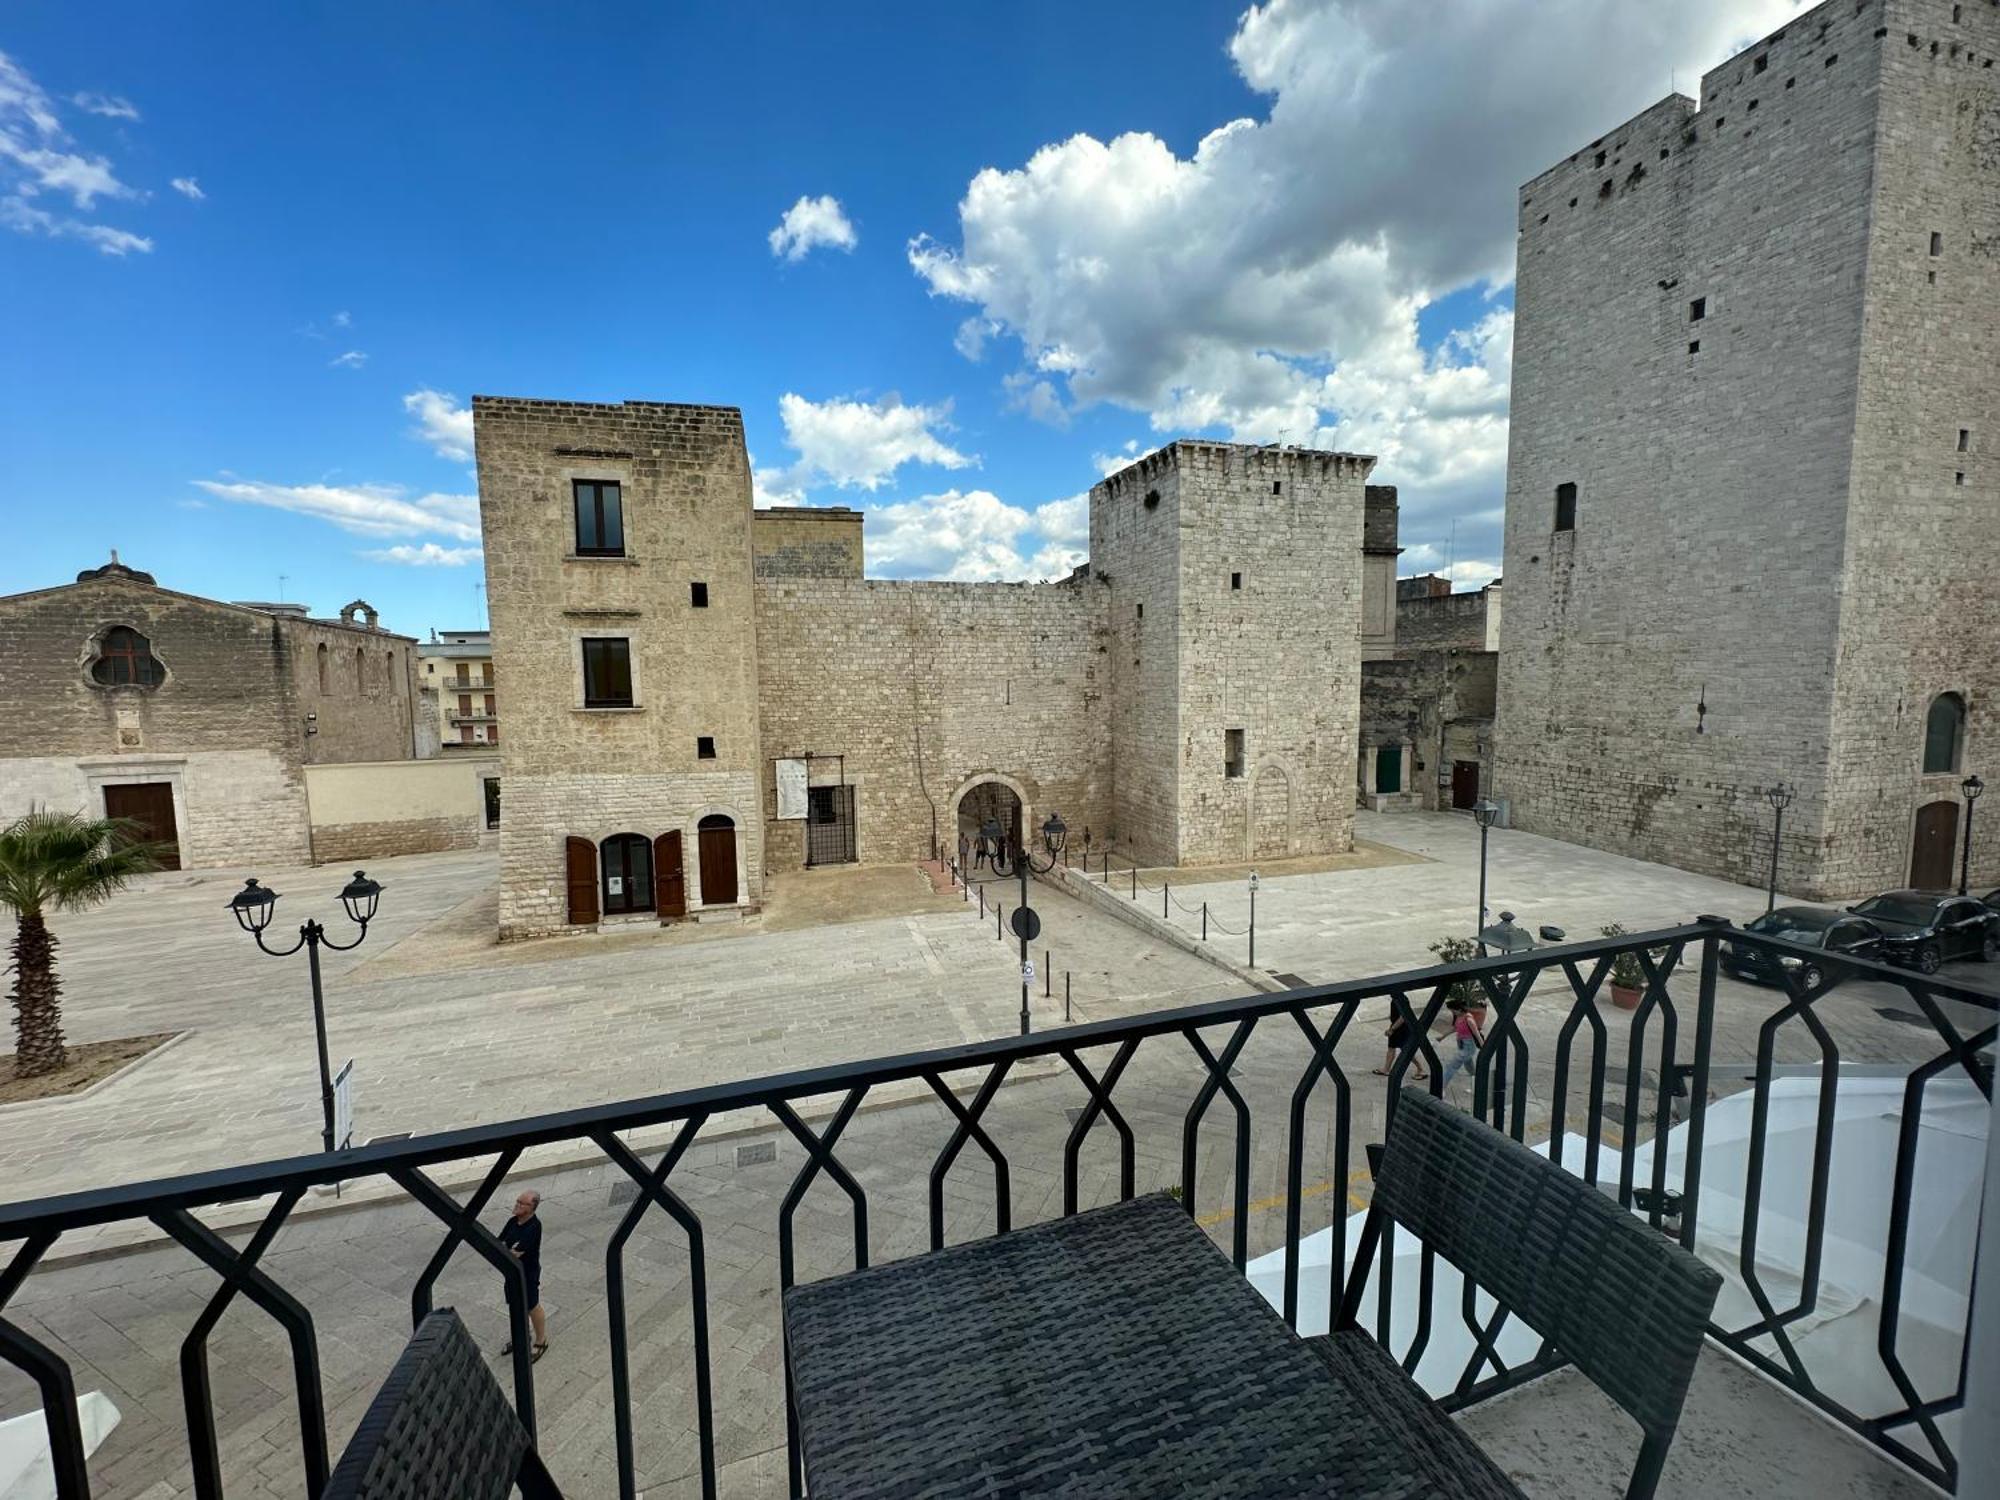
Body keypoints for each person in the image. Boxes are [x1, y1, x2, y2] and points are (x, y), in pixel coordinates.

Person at [498, 1189, 548, 1363]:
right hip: (511, 1274)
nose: (517, 1205)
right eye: (517, 1201)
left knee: (532, 1306)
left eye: (521, 1203)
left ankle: (541, 1341)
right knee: (515, 1304)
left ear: (532, 1207)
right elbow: (500, 1243)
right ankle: (522, 1336)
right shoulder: (513, 1221)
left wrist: (508, 1250)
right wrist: (508, 1249)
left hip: (528, 1273)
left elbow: (514, 1253)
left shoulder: (534, 1226)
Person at [1436, 999, 1488, 1091]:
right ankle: (1479, 1083)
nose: (1452, 1013)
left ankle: (1441, 1089)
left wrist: (1484, 1047)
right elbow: (1455, 1028)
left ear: (1459, 1010)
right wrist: (1442, 1037)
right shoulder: (1459, 1017)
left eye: (1453, 1011)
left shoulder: (1469, 1019)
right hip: (1461, 1044)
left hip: (1468, 1047)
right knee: (1469, 1066)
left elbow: (1476, 1034)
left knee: (1451, 1066)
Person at [1373, 1007, 1428, 1079]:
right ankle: (1386, 1069)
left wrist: (1392, 1029)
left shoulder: (1399, 999)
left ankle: (1421, 1069)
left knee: (1406, 1050)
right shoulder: (1395, 999)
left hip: (1401, 1029)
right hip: (1396, 1027)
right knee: (1391, 1047)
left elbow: (1403, 1017)